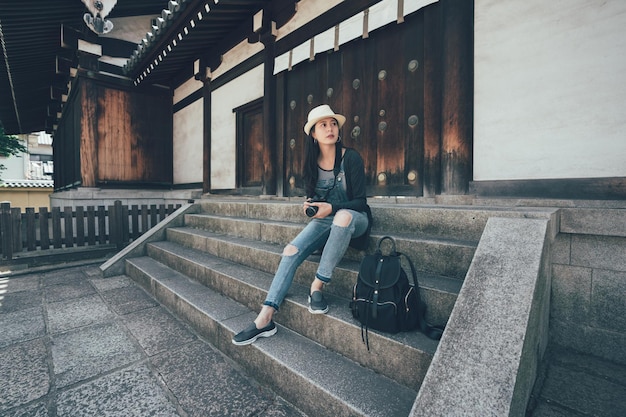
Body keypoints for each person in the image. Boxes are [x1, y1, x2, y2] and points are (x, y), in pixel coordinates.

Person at [232, 104, 372, 346]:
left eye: (333, 123)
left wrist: (333, 208)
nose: (330, 128)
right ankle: (265, 318)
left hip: (354, 219)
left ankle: (317, 286)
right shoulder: (310, 163)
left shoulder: (351, 158)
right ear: (314, 135)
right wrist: (311, 205)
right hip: (326, 219)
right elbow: (315, 198)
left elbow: (360, 201)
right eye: (323, 125)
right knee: (290, 251)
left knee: (342, 217)